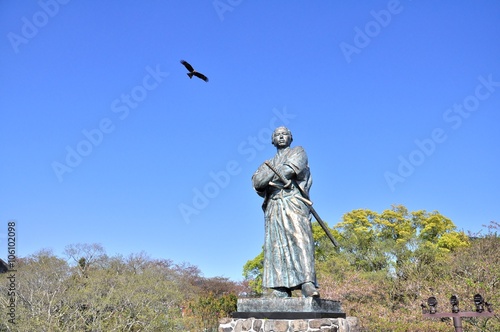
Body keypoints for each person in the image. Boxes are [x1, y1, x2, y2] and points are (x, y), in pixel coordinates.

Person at [252, 126, 319, 298]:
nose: (281, 137)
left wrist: (268, 177)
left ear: (291, 138)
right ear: (272, 140)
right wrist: (267, 178)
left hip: (294, 201)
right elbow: (257, 183)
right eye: (277, 135)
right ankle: (280, 286)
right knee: (275, 244)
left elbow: (288, 170)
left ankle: (307, 283)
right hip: (274, 205)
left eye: (285, 134)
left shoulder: (298, 151)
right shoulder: (268, 162)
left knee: (301, 239)